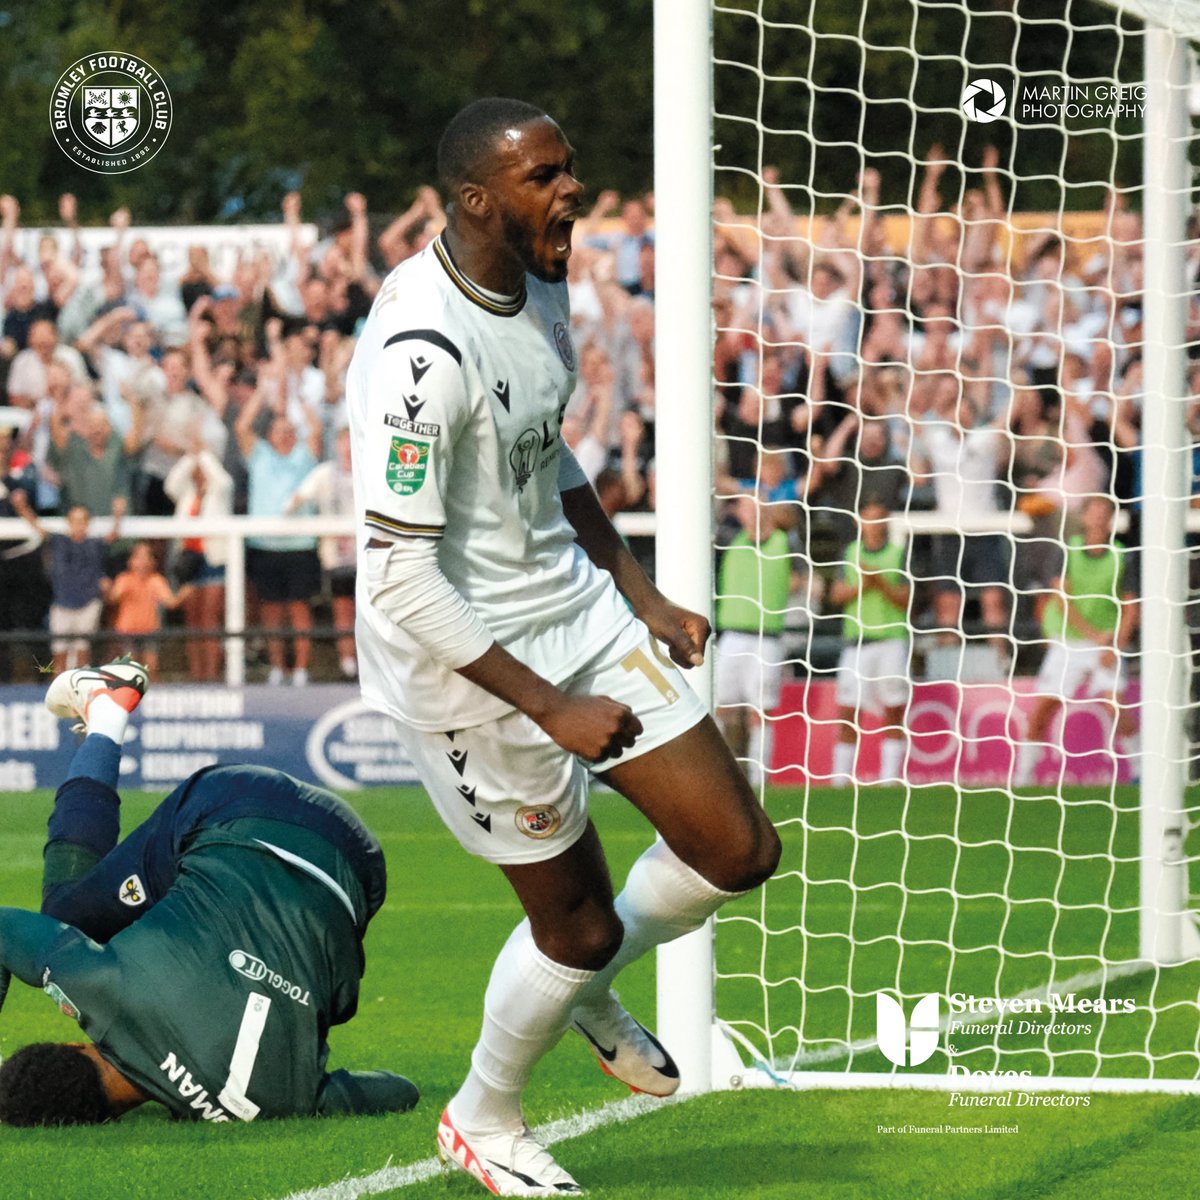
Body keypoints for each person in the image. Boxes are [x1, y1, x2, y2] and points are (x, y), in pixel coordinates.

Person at [346, 98, 779, 1196]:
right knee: (573, 926)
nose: (571, 190)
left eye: (569, 169)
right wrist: (549, 706)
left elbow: (548, 457)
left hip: (572, 614)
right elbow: (400, 575)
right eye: (545, 177)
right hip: (467, 667)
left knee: (737, 851)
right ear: (479, 198)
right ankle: (483, 1118)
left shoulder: (540, 285)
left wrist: (638, 593)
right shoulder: (417, 357)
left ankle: (580, 986)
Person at [0, 658, 419, 1125]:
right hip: (238, 804)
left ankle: (107, 708)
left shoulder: (279, 1100)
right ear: (71, 1046)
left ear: (101, 1118)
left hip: (357, 864)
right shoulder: (101, 990)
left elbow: (401, 1091)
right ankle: (107, 710)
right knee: (66, 914)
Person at [1015, 495, 1138, 786]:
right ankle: (1023, 778)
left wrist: (1114, 646)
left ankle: (1140, 773)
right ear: (1083, 518)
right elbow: (1061, 599)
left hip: (1107, 644)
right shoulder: (1067, 551)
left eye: (1104, 513)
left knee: (1115, 709)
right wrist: (1094, 635)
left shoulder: (1123, 555)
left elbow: (1131, 607)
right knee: (1044, 710)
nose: (1098, 518)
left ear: (1111, 519)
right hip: (1069, 642)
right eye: (1093, 512)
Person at [827, 497, 911, 786]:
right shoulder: (849, 554)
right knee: (848, 711)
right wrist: (862, 584)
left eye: (879, 518)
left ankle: (890, 780)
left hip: (891, 641)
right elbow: (836, 596)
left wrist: (879, 582)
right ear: (858, 521)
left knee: (893, 709)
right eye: (869, 518)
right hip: (857, 643)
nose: (874, 525)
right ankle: (840, 780)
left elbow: (907, 600)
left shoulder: (899, 554)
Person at [714, 494, 795, 787]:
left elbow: (790, 517)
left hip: (766, 639)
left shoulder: (783, 542)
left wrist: (768, 511)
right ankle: (724, 774)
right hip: (731, 635)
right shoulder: (733, 542)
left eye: (752, 505)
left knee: (760, 710)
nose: (745, 511)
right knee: (722, 707)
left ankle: (761, 779)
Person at [9, 490, 123, 672]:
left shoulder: (94, 544)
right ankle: (58, 695)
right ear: (68, 522)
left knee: (81, 652)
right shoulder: (59, 541)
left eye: (82, 521)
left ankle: (78, 693)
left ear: (87, 523)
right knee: (59, 655)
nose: (78, 525)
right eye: (74, 520)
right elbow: (37, 525)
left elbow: (112, 536)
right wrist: (22, 507)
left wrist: (118, 514)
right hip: (62, 603)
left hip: (87, 603)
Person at [107, 541, 190, 676]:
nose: (142, 562)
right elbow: (113, 598)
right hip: (128, 630)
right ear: (130, 561)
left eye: (146, 557)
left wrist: (185, 592)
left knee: (151, 668)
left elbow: (170, 602)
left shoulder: (156, 580)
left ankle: (152, 696)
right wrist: (110, 589)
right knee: (129, 670)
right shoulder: (124, 579)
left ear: (153, 561)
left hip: (150, 630)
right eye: (138, 557)